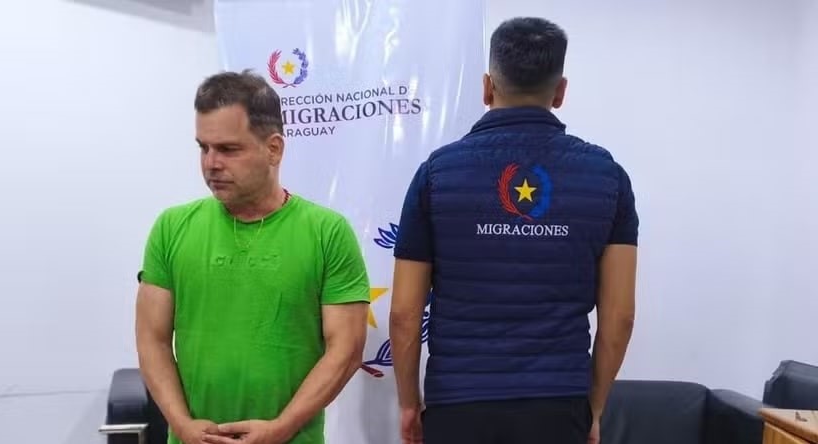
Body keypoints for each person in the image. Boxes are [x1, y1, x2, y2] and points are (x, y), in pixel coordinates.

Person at [388, 17, 639, 444]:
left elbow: (404, 314)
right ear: (560, 92)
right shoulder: (608, 177)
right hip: (559, 406)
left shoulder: (437, 175)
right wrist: (593, 409)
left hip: (458, 405)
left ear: (487, 87)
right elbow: (620, 316)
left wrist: (410, 404)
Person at [134, 70, 371, 444]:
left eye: (228, 149)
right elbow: (152, 339)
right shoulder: (171, 227)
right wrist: (181, 424)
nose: (211, 163)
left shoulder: (327, 232)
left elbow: (346, 349)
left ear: (273, 149)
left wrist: (282, 427)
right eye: (203, 148)